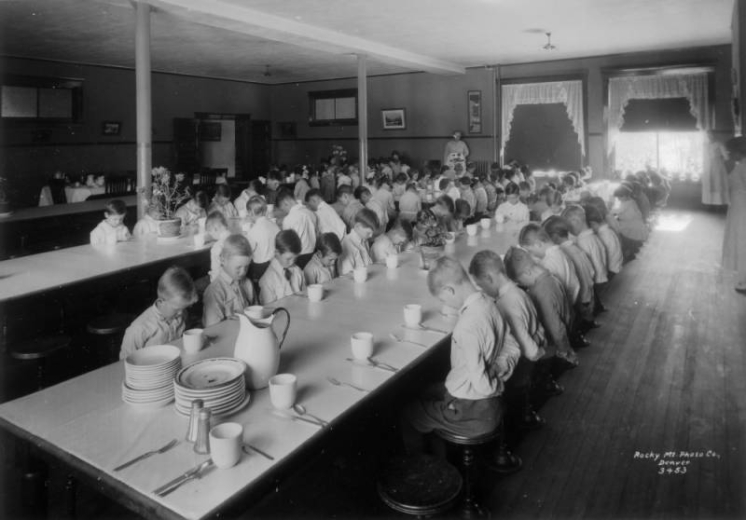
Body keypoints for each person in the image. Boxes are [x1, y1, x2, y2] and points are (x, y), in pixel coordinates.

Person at [400, 256, 520, 454]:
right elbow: (513, 346)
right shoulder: (490, 303)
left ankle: (427, 471)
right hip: (490, 405)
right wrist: (498, 369)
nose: (444, 303)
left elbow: (482, 385)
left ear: (449, 290)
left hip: (472, 410)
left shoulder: (467, 326)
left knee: (408, 414)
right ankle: (440, 452)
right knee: (426, 392)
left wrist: (495, 385)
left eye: (442, 298)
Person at [469, 250, 549, 429]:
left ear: (489, 278)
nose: (482, 291)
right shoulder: (518, 291)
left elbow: (527, 348)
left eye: (481, 285)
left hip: (521, 368)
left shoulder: (507, 304)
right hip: (529, 361)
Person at [504, 246, 579, 367]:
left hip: (555, 342)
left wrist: (563, 349)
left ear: (527, 272)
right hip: (566, 324)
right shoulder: (549, 276)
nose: (522, 285)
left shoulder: (541, 293)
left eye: (520, 282)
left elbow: (555, 327)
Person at [119, 266, 196, 360]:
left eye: (183, 308)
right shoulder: (139, 329)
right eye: (176, 309)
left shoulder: (181, 314)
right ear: (161, 302)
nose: (180, 313)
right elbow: (124, 362)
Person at [543, 216, 598, 332]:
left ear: (554, 237)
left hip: (580, 300)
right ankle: (588, 322)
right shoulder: (575, 247)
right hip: (589, 293)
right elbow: (591, 270)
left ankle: (581, 331)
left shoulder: (562, 253)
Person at [518, 223, 580, 307]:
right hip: (573, 298)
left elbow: (542, 285)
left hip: (565, 304)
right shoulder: (558, 252)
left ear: (538, 244)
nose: (531, 255)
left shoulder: (548, 263)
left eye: (530, 251)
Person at [203, 234, 256, 327]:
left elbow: (256, 310)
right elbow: (213, 329)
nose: (243, 272)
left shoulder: (247, 283)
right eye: (238, 267)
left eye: (246, 267)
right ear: (223, 260)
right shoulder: (215, 291)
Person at [562, 204, 608, 312]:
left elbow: (587, 269)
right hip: (599, 277)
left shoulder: (583, 242)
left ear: (576, 221)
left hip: (595, 280)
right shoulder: (590, 237)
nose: (569, 231)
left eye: (569, 227)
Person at [722, 136, 746, 293]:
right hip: (738, 207)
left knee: (742, 241)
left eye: (731, 152)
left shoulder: (742, 167)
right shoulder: (739, 165)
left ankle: (744, 279)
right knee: (740, 240)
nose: (729, 155)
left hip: (742, 208)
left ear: (739, 152)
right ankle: (743, 277)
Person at [258, 229, 306, 304]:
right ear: (277, 253)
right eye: (288, 258)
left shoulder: (298, 271)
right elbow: (269, 309)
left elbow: (305, 295)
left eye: (295, 258)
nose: (292, 262)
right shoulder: (267, 280)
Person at [276, 189, 317, 270]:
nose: (284, 212)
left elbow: (286, 242)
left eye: (283, 209)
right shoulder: (310, 212)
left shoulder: (289, 219)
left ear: (286, 203)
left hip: (298, 257)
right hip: (313, 254)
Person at [243, 195, 280, 284]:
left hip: (260, 268)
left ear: (250, 212)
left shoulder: (253, 231)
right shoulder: (274, 225)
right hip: (276, 264)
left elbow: (247, 251)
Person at [611, 184, 647, 260]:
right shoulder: (631, 201)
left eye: (620, 197)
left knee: (622, 234)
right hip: (634, 222)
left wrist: (609, 210)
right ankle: (633, 249)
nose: (619, 199)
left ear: (625, 195)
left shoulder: (627, 203)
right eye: (617, 197)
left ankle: (630, 252)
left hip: (632, 224)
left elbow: (618, 211)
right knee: (631, 238)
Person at [339, 208, 378, 275]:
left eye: (372, 233)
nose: (371, 236)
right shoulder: (347, 244)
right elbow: (347, 275)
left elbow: (368, 264)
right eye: (368, 233)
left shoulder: (364, 240)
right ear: (358, 226)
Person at [206, 211, 231, 282]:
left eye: (210, 231)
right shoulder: (234, 238)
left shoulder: (216, 248)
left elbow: (215, 271)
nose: (210, 234)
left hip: (221, 283)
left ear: (215, 229)